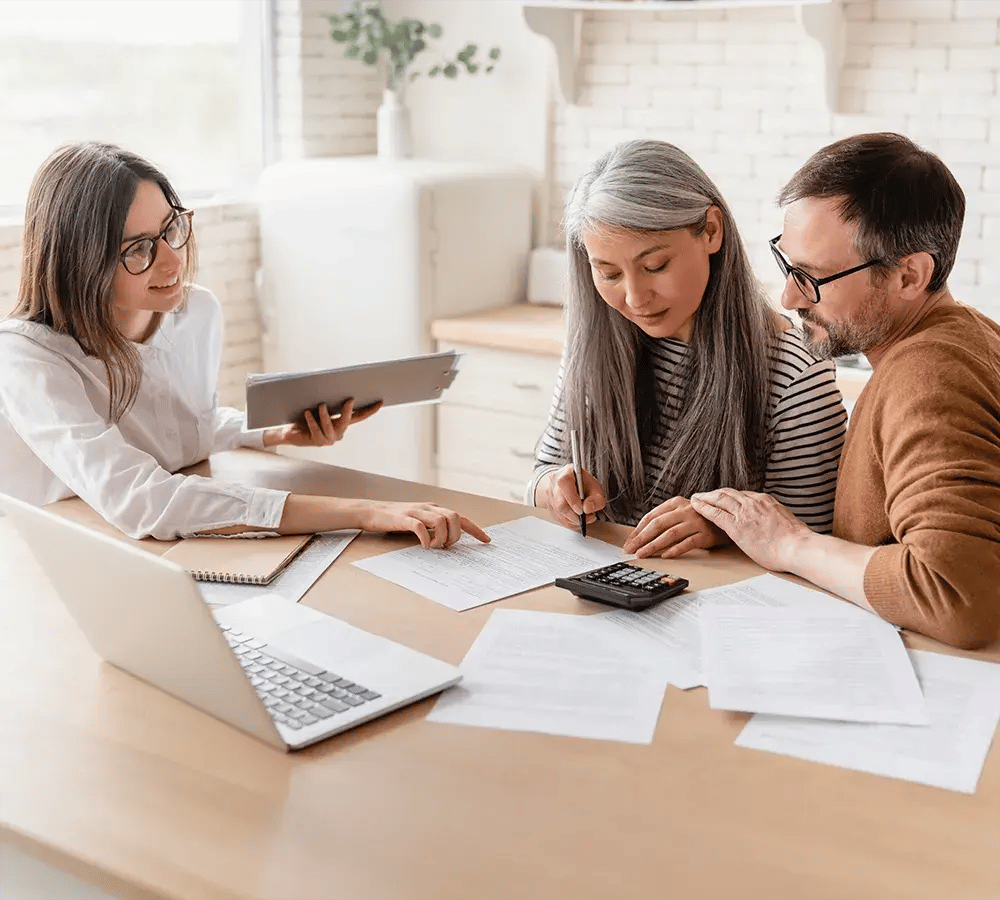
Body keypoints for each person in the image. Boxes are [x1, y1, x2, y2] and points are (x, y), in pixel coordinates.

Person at [0, 141, 489, 548]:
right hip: (57, 555)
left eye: (171, 228)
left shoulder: (194, 313)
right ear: (77, 260)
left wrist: (274, 434)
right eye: (139, 249)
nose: (172, 262)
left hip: (153, 550)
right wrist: (363, 511)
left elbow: (182, 429)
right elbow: (141, 498)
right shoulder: (28, 359)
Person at [690, 132, 1000, 650]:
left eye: (812, 276)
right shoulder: (969, 335)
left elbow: (956, 595)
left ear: (909, 275)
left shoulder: (926, 374)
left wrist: (790, 544)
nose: (789, 297)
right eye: (787, 265)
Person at [528, 139, 847, 559]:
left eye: (655, 266)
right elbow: (541, 473)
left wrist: (723, 528)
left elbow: (812, 541)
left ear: (711, 230)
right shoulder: (593, 346)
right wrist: (554, 489)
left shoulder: (794, 372)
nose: (635, 297)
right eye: (607, 273)